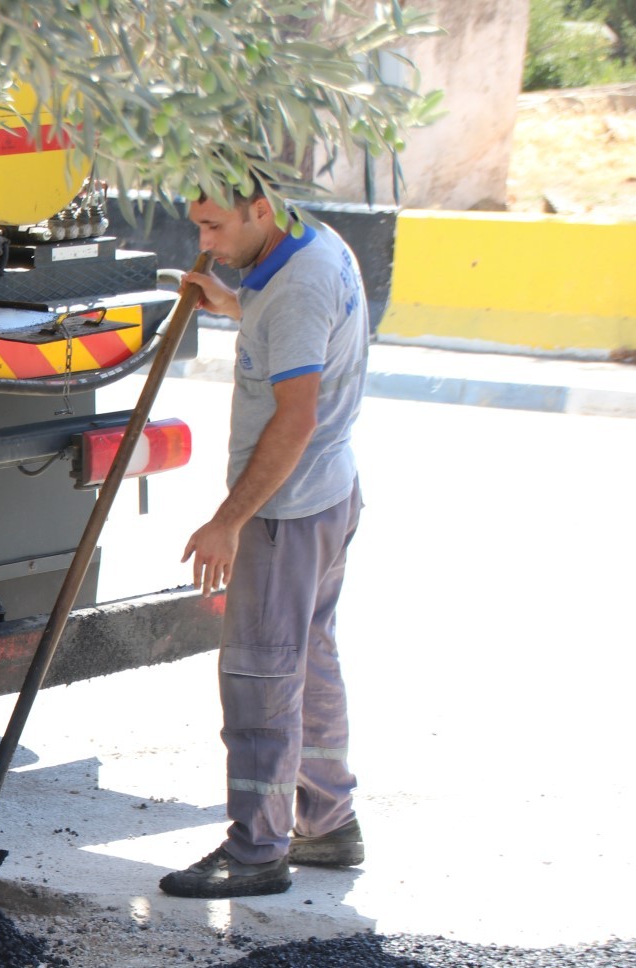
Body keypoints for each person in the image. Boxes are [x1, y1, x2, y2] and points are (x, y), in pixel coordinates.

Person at [159, 185, 368, 900]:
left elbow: (296, 417)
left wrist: (229, 519)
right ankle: (327, 822)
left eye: (215, 226)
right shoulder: (312, 243)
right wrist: (235, 305)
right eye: (199, 227)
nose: (206, 243)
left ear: (260, 209)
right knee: (309, 658)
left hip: (286, 510)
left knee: (261, 676)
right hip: (328, 495)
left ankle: (256, 850)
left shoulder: (300, 287)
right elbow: (290, 328)